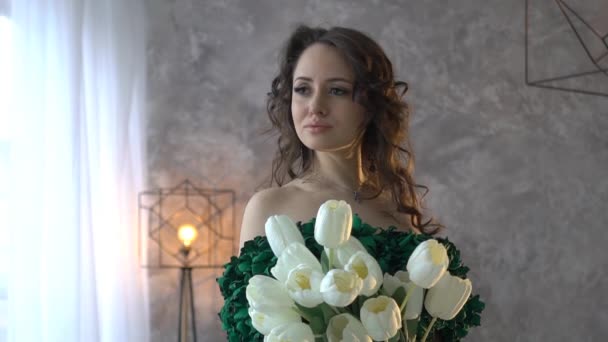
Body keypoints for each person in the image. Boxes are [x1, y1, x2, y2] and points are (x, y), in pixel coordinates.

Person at [239, 25, 444, 249]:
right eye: (303, 89)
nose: (315, 107)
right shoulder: (268, 209)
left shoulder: (398, 214)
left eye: (337, 90)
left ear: (371, 104)